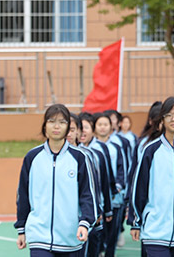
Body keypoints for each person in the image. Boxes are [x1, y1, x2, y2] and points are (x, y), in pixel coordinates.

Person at [15, 104, 96, 256]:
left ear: (68, 127)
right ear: (44, 126)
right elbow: (23, 195)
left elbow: (88, 194)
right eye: (51, 121)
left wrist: (85, 223)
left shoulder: (80, 158)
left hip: (70, 238)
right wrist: (21, 228)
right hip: (39, 237)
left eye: (62, 122)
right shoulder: (32, 157)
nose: (56, 126)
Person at [130, 97, 174, 256]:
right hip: (155, 231)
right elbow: (139, 188)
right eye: (168, 115)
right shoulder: (150, 150)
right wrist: (135, 222)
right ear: (162, 120)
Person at [68, 114, 109, 257]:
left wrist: (97, 210)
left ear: (78, 132)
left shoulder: (87, 156)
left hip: (84, 218)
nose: (68, 133)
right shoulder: (44, 157)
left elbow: (96, 186)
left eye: (72, 129)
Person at [94, 112, 127, 257]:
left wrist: (117, 188)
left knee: (112, 234)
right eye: (99, 124)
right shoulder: (90, 147)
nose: (102, 127)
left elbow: (122, 170)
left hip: (115, 198)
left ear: (111, 127)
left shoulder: (116, 147)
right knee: (98, 234)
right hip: (99, 198)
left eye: (105, 124)